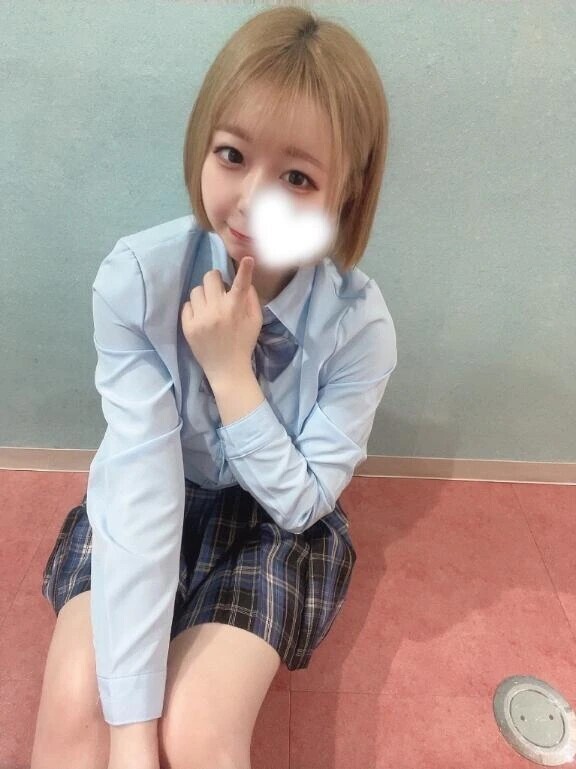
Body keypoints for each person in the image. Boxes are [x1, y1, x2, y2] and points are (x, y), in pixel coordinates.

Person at [32, 4, 397, 769]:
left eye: (296, 177)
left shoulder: (359, 327)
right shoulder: (138, 281)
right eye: (232, 154)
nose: (251, 200)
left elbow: (299, 503)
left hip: (271, 522)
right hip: (151, 487)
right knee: (78, 705)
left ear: (347, 192)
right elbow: (141, 479)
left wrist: (231, 373)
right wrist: (129, 736)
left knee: (197, 728)